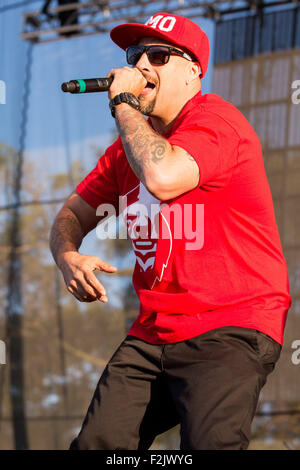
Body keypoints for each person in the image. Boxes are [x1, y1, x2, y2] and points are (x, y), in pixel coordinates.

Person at [49, 12, 292, 450]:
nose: (141, 66)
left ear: (193, 69)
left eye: (157, 56)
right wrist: (67, 254)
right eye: (133, 55)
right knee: (97, 445)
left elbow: (163, 174)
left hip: (229, 324)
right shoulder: (123, 153)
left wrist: (121, 103)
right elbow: (70, 215)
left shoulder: (216, 121)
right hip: (154, 332)